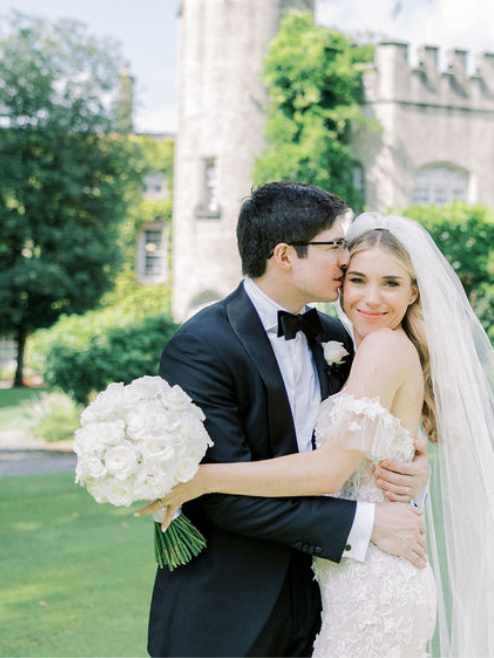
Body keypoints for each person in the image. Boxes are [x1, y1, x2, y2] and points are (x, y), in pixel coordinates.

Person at [142, 211, 494, 657]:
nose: (371, 298)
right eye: (357, 278)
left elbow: (328, 470)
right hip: (336, 576)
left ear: (414, 291)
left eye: (391, 284)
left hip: (373, 582)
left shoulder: (378, 346)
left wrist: (205, 478)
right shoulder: (342, 339)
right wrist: (410, 478)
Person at [145, 182, 431, 658]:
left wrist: (412, 466)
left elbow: (364, 445)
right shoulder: (203, 346)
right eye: (334, 245)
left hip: (329, 597)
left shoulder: (342, 334)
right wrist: (366, 522)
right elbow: (226, 504)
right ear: (284, 255)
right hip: (232, 611)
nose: (345, 259)